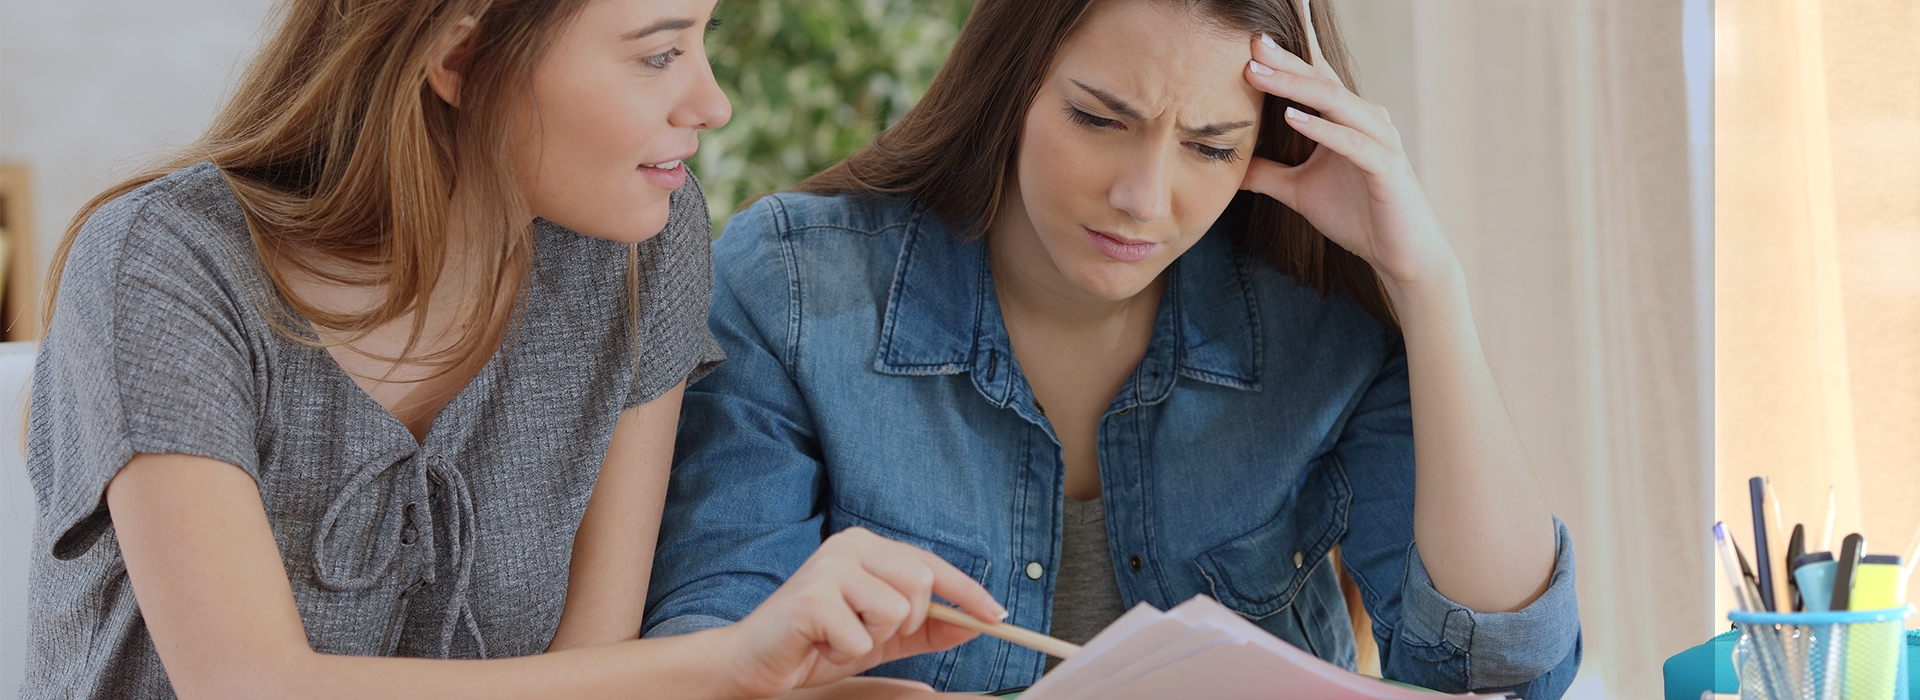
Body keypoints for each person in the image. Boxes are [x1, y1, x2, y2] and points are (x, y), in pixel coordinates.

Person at [21, 0, 1007, 698]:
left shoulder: (640, 247)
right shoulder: (163, 267)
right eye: (659, 52)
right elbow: (249, 686)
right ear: (460, 56)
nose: (712, 104)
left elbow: (598, 667)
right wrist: (732, 661)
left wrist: (789, 692)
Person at [646, 0, 1581, 696]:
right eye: (1099, 120)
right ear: (1011, 88)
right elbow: (711, 649)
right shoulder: (797, 289)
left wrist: (1429, 284)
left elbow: (1496, 661)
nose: (1145, 196)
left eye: (1211, 148)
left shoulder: (1316, 316)